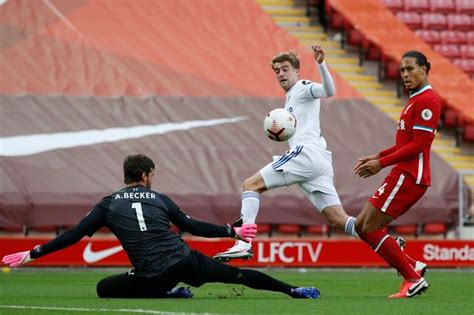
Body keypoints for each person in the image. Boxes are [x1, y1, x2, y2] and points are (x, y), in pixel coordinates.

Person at [2, 154, 320, 299]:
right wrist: (231, 232)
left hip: (152, 274)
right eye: (152, 174)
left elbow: (72, 235)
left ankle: (169, 294)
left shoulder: (108, 204)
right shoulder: (159, 199)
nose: (153, 179)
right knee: (237, 276)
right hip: (185, 260)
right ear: (145, 176)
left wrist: (34, 252)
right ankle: (293, 290)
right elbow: (191, 226)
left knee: (104, 289)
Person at [214, 44, 358, 262]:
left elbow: (329, 91)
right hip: (317, 160)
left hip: (306, 154)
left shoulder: (301, 87)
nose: (281, 73)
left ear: (297, 71)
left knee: (250, 185)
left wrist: (321, 64)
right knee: (339, 220)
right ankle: (384, 239)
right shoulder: (291, 97)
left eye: (285, 69)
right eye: (277, 71)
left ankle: (243, 243)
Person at [353, 51, 440, 298]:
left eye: (410, 69)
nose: (405, 74)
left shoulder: (428, 100)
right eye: (402, 70)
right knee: (361, 226)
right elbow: (406, 143)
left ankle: (412, 278)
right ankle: (412, 265)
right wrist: (377, 156)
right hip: (402, 171)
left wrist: (381, 163)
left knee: (369, 227)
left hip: (411, 175)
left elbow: (418, 145)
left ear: (425, 69)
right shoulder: (414, 99)